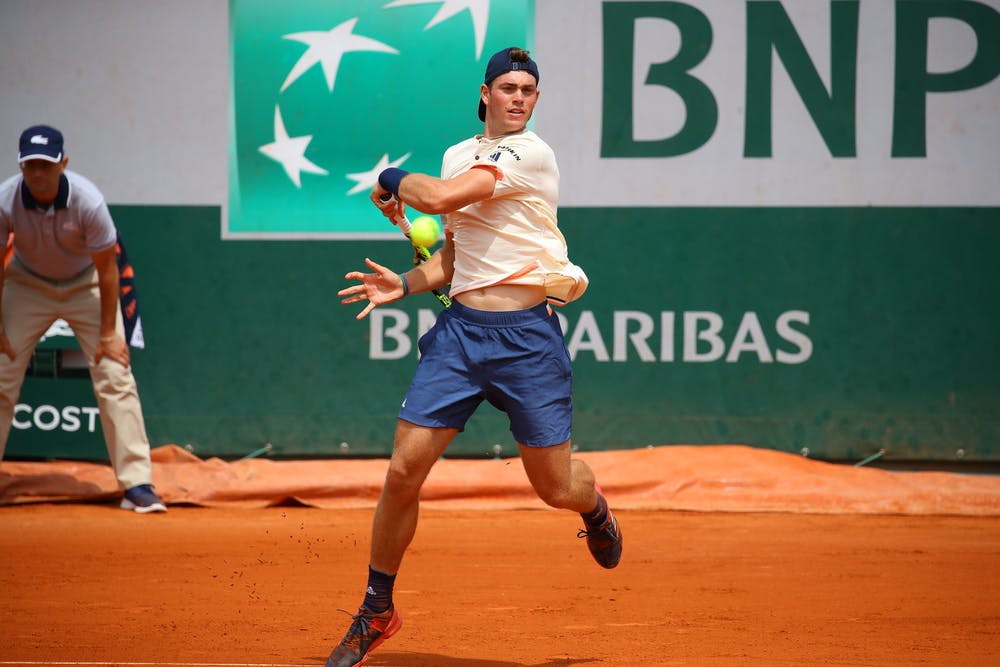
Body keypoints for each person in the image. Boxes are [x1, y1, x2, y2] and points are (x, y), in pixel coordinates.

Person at [329, 47, 621, 667]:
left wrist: (389, 178)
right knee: (404, 469)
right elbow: (456, 257)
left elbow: (431, 201)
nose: (520, 97)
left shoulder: (529, 154)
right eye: (508, 87)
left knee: (556, 487)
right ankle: (377, 610)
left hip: (527, 342)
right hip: (461, 336)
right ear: (485, 93)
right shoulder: (459, 155)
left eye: (529, 89)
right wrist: (405, 284)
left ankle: (594, 509)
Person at [0, 124, 165, 514]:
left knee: (114, 373)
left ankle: (137, 484)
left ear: (63, 164)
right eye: (30, 166)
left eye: (46, 165)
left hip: (86, 284)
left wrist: (109, 334)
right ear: (21, 167)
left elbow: (108, 270)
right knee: (1, 370)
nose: (38, 174)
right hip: (27, 284)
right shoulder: (6, 199)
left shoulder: (88, 201)